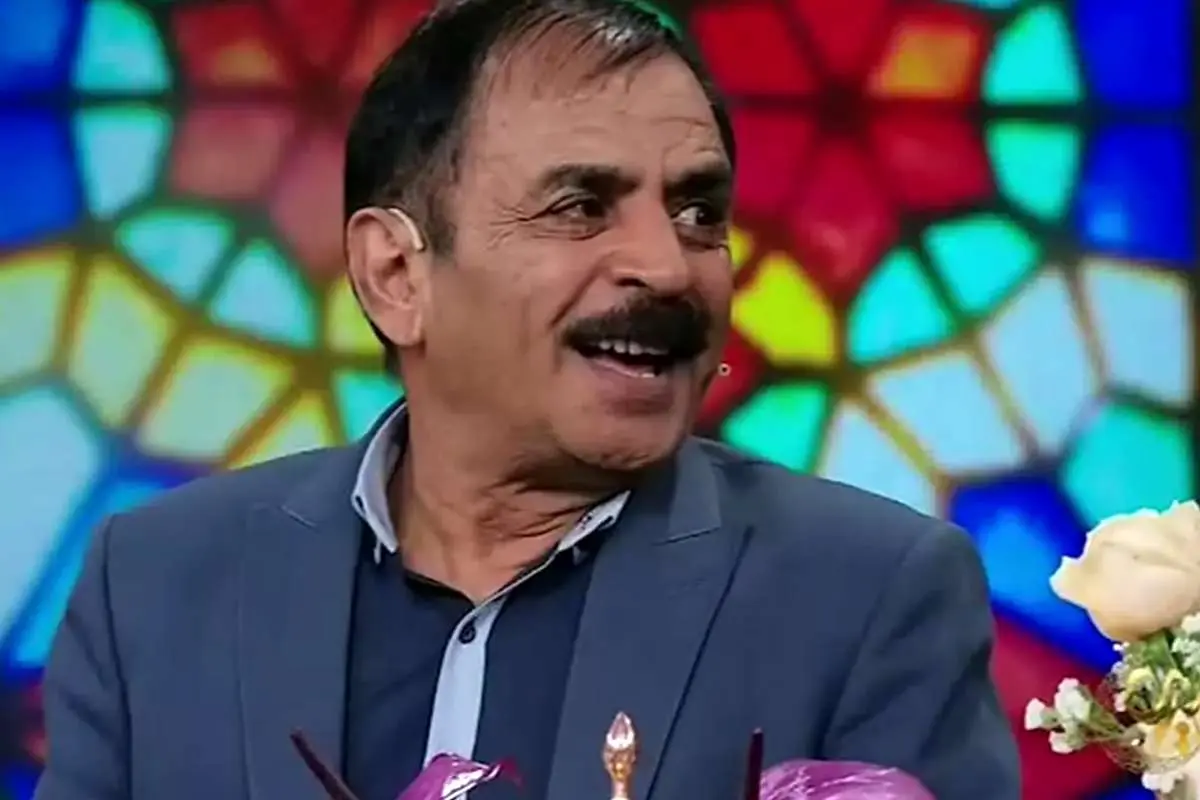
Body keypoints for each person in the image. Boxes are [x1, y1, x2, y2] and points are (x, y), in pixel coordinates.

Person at [34, 1, 1019, 798]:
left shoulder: (869, 597)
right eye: (581, 206)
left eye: (698, 211)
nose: (666, 266)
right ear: (396, 274)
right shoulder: (154, 589)